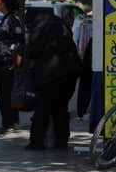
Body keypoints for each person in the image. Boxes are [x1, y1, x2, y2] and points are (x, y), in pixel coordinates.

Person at [24, 10, 82, 150]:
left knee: (42, 107)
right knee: (61, 108)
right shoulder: (59, 22)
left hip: (50, 73)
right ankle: (61, 142)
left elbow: (33, 50)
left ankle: (36, 142)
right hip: (70, 71)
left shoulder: (38, 26)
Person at [0, 0, 24, 135]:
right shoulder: (6, 19)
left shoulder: (12, 20)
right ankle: (10, 121)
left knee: (6, 94)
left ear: (5, 3)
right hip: (0, 63)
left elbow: (19, 42)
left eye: (1, 2)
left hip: (7, 64)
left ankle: (10, 122)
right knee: (4, 94)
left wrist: (14, 62)